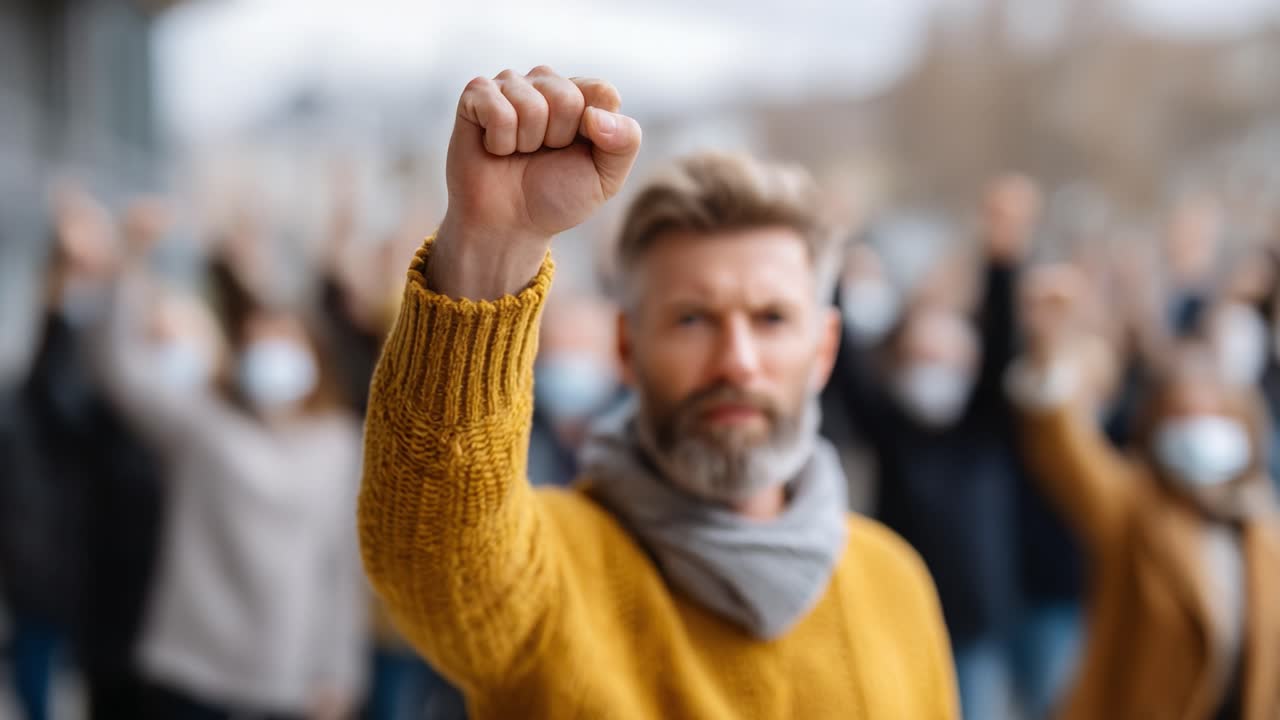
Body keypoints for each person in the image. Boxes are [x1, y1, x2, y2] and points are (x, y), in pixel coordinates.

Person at [359, 67, 957, 718]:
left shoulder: (894, 583)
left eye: (772, 320)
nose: (737, 362)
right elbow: (434, 553)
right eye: (692, 319)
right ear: (626, 348)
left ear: (825, 348)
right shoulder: (558, 574)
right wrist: (489, 247)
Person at [95, 230, 368, 720]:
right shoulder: (205, 424)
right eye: (257, 343)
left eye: (284, 340)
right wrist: (130, 265)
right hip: (192, 667)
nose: (271, 354)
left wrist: (340, 672)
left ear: (315, 353)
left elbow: (342, 564)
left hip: (286, 678)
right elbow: (121, 368)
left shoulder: (339, 445)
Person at [825, 175, 1044, 719]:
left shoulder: (985, 424)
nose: (935, 369)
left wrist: (1002, 260)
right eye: (923, 357)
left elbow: (1001, 349)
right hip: (898, 615)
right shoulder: (890, 425)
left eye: (948, 359)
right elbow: (845, 362)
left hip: (976, 626)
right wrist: (834, 255)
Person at [1010, 281, 1280, 719]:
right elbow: (1063, 452)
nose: (1198, 430)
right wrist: (1046, 351)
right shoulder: (1135, 506)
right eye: (1182, 416)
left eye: (1211, 416)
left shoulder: (1261, 527)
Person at [0, 190, 165, 720]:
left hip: (94, 538)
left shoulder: (104, 329)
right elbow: (64, 399)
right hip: (48, 535)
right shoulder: (60, 335)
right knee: (41, 655)